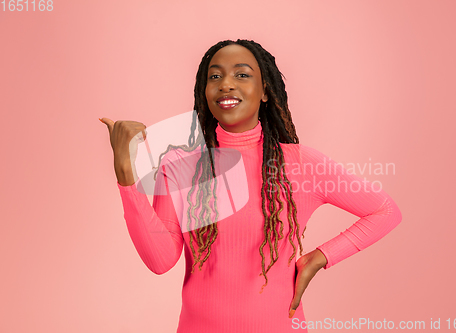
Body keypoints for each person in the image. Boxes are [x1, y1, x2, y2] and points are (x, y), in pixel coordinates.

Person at [100, 39, 402, 333]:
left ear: (265, 91)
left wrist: (320, 257)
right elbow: (160, 260)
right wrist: (125, 172)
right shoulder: (180, 166)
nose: (226, 84)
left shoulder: (301, 164)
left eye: (241, 74)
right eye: (215, 76)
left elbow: (385, 211)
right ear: (204, 92)